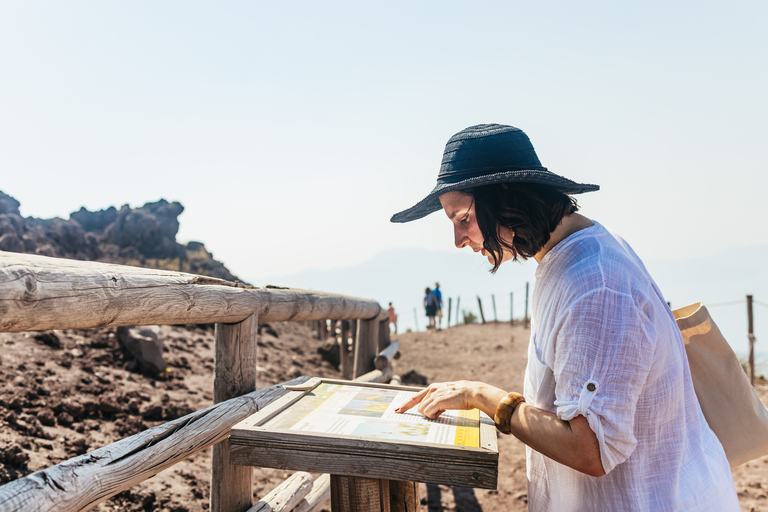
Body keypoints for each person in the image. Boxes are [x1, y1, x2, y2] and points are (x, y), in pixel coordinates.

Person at [390, 124, 738, 511]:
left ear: (506, 198)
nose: (458, 240)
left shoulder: (594, 285)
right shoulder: (573, 256)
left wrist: (483, 397)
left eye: (464, 218)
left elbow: (590, 448)